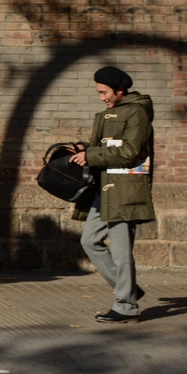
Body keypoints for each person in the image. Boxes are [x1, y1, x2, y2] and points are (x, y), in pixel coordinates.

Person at [68, 66, 153, 323]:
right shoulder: (113, 112)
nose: (102, 97)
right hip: (105, 188)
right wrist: (86, 147)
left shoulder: (137, 112)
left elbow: (130, 151)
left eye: (104, 92)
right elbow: (109, 146)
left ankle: (126, 306)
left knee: (121, 251)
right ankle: (129, 289)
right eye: (99, 93)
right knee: (89, 240)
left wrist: (91, 155)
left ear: (120, 90)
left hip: (125, 188)